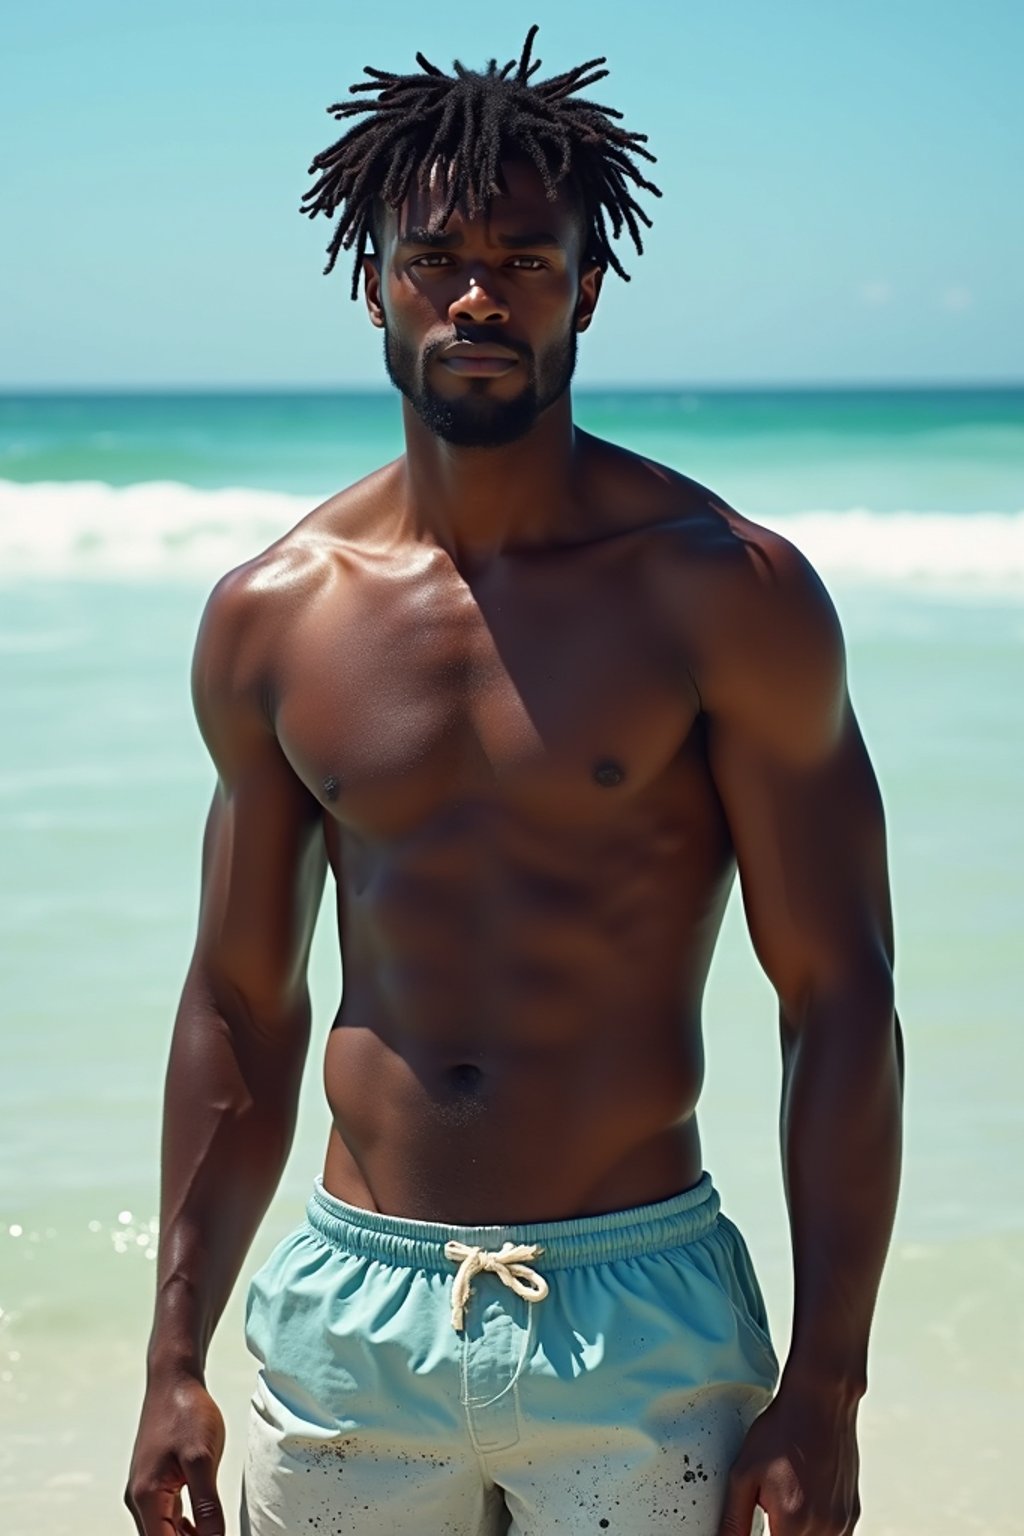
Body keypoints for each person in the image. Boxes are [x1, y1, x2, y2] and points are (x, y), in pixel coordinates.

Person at [126, 27, 903, 1536]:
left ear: (589, 287)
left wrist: (827, 1389)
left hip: (637, 1312)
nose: (478, 295)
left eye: (525, 261)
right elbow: (240, 996)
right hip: (353, 1316)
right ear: (372, 279)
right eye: (435, 260)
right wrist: (172, 1356)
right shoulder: (277, 613)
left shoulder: (724, 594)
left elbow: (841, 994)